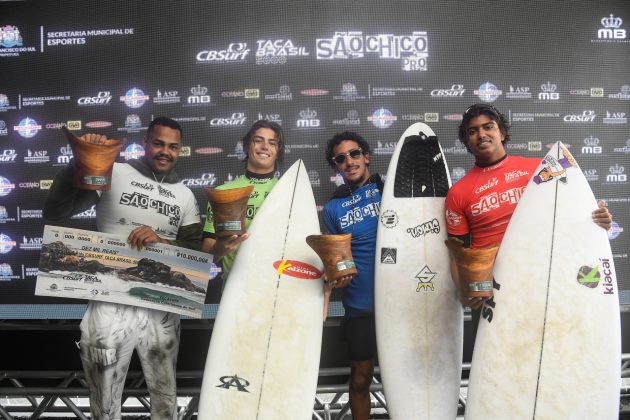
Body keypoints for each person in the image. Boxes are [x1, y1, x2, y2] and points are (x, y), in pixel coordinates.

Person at [43, 117, 201, 420]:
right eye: (158, 143)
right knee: (103, 396)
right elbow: (56, 212)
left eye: (172, 146)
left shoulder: (185, 194)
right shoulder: (115, 172)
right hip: (110, 300)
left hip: (161, 305)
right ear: (145, 142)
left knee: (165, 397)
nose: (165, 151)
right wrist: (77, 163)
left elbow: (194, 252)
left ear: (180, 150)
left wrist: (162, 239)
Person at [444, 103, 612, 336]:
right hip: (492, 288)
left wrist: (599, 221)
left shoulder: (540, 170)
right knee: (499, 365)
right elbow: (457, 252)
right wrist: (465, 291)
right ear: (466, 141)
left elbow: (576, 212)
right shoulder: (458, 193)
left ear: (501, 133)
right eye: (472, 131)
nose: (481, 134)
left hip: (542, 277)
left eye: (488, 127)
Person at [322, 131, 383, 420]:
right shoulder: (333, 208)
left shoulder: (389, 189)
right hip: (360, 306)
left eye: (354, 153)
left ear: (366, 156)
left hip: (399, 302)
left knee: (408, 378)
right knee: (360, 380)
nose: (349, 161)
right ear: (336, 167)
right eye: (340, 158)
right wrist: (336, 275)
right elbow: (337, 259)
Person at [201, 120, 285, 286]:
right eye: (258, 140)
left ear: (278, 150)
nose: (265, 147)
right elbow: (206, 254)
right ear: (247, 146)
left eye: (272, 143)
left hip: (279, 290)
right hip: (236, 291)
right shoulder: (223, 193)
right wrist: (220, 249)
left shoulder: (289, 190)